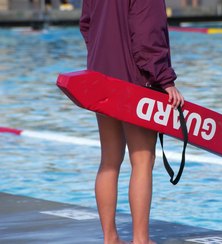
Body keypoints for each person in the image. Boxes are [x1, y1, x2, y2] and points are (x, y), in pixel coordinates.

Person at [79, 1, 184, 244]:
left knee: (109, 160)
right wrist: (165, 80)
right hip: (136, 83)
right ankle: (141, 240)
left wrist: (100, 56)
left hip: (100, 77)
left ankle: (110, 238)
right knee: (143, 159)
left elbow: (86, 24)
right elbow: (148, 34)